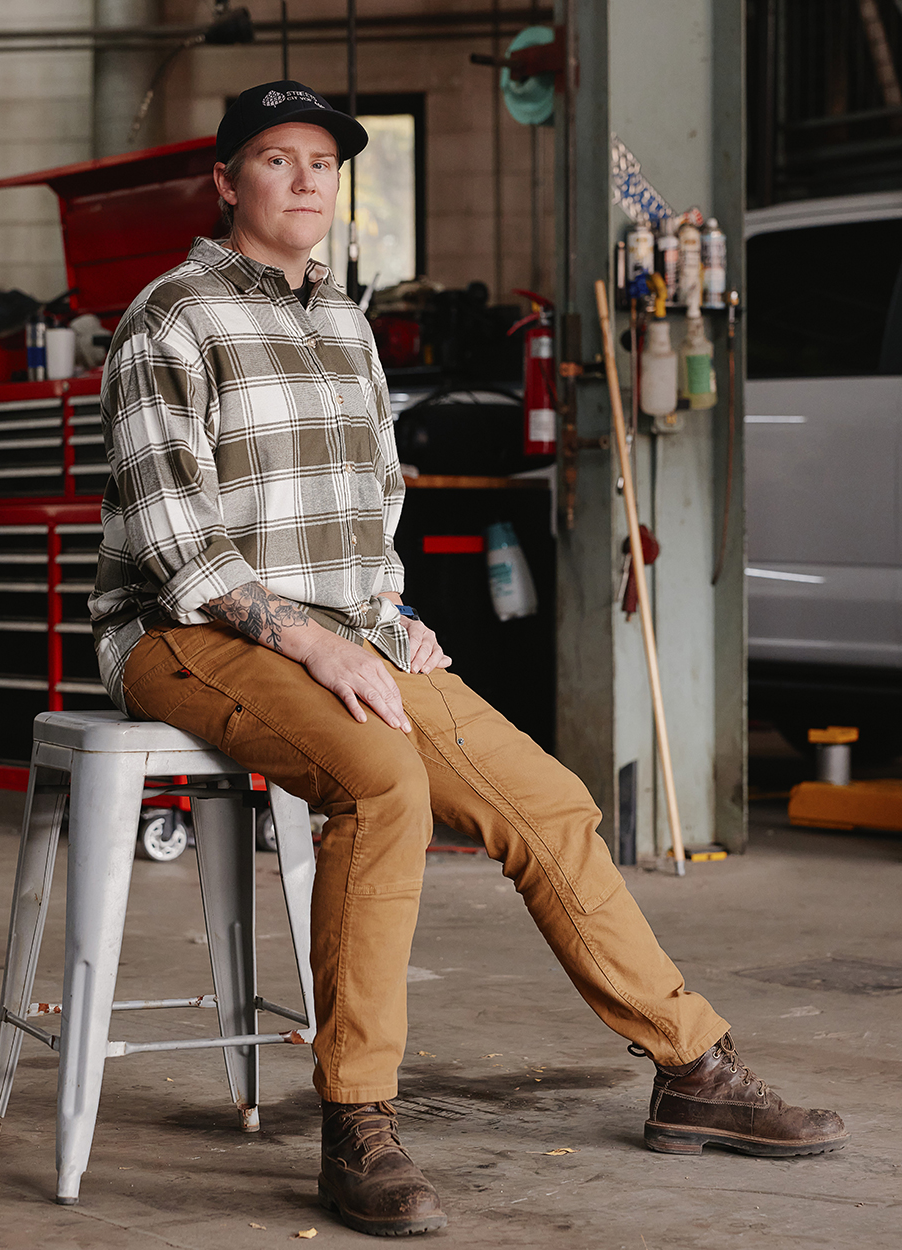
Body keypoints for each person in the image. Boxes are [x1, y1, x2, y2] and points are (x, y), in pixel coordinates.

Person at [90, 80, 848, 1238]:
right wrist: (309, 638)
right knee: (382, 782)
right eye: (278, 158)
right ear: (227, 181)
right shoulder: (171, 318)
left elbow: (370, 507)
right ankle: (356, 1123)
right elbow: (172, 538)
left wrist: (387, 615)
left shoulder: (343, 323)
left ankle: (691, 1064)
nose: (305, 180)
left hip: (341, 633)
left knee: (546, 799)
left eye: (322, 162)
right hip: (184, 631)